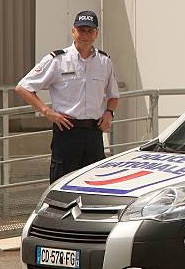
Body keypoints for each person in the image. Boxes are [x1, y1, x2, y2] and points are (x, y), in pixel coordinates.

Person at [15, 10, 119, 183]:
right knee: (61, 185)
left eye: (89, 31)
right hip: (67, 132)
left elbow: (113, 95)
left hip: (94, 133)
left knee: (94, 186)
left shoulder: (104, 61)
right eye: (81, 30)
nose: (85, 35)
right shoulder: (57, 60)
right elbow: (23, 87)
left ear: (96, 33)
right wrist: (47, 112)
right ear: (73, 32)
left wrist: (109, 112)